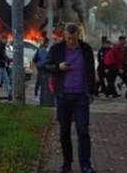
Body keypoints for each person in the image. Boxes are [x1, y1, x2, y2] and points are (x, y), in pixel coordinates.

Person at [42, 24, 97, 173]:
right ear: (64, 36)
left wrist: (92, 91)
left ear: (79, 35)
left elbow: (91, 71)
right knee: (64, 132)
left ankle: (85, 164)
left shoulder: (86, 50)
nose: (71, 42)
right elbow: (44, 65)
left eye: (74, 39)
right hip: (63, 95)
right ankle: (67, 163)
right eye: (68, 39)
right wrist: (58, 67)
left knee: (83, 130)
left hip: (81, 96)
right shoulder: (57, 49)